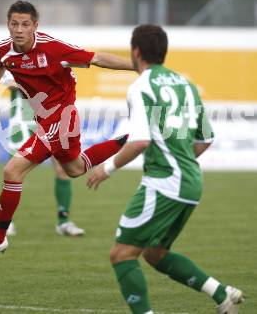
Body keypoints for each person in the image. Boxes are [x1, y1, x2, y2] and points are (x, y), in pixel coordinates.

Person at [87, 25, 244, 314]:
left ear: (136, 52)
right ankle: (222, 295)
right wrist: (181, 159)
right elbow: (206, 138)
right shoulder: (186, 84)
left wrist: (105, 168)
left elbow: (139, 141)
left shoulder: (140, 87)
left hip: (165, 182)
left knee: (122, 255)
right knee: (155, 253)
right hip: (191, 182)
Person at [0, 0, 131, 260]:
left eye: (25, 24)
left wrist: (137, 66)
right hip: (48, 120)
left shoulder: (53, 48)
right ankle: (131, 139)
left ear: (35, 26)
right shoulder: (3, 50)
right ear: (8, 25)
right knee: (75, 169)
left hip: (62, 117)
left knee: (12, 170)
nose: (19, 29)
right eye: (14, 24)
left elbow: (97, 58)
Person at [0, 71, 84, 236]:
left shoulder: (53, 56)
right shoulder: (13, 57)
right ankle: (6, 222)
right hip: (24, 120)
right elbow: (8, 83)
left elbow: (70, 78)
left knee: (62, 169)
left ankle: (64, 221)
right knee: (13, 172)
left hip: (53, 116)